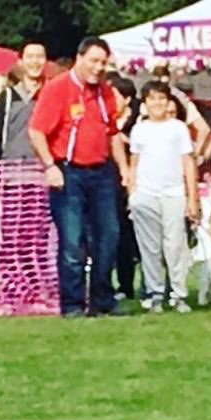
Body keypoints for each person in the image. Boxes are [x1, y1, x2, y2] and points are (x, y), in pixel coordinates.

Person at [28, 36, 129, 318]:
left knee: (109, 236)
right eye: (94, 61)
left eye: (103, 63)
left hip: (101, 172)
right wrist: (50, 166)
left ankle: (102, 298)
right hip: (68, 170)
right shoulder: (57, 89)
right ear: (79, 59)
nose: (98, 68)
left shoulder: (106, 93)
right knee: (72, 241)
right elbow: (37, 131)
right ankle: (72, 304)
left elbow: (112, 133)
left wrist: (125, 169)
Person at [127, 83, 199, 314]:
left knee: (175, 245)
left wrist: (192, 198)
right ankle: (155, 292)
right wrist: (132, 195)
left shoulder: (178, 128)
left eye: (161, 99)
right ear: (145, 103)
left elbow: (188, 162)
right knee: (149, 247)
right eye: (152, 99)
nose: (156, 103)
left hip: (173, 192)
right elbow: (134, 163)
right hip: (146, 193)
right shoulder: (139, 129)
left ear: (168, 102)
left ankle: (178, 294)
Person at [0, 42, 47, 160]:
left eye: (40, 57)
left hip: (44, 165)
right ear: (20, 61)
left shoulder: (51, 94)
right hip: (10, 166)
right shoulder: (8, 96)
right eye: (30, 57)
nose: (35, 62)